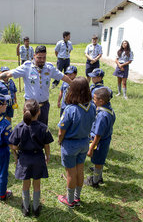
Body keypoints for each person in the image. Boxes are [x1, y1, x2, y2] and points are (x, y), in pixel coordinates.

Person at [0, 45, 72, 125]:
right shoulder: (27, 67)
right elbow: (7, 74)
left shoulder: (49, 68)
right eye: (39, 58)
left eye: (44, 58)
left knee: (42, 130)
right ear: (34, 56)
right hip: (30, 106)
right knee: (28, 129)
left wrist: (73, 85)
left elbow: (64, 77)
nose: (41, 60)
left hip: (44, 106)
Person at [9, 99, 53, 217]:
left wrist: (17, 155)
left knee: (26, 184)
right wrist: (47, 156)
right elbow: (46, 145)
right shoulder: (43, 127)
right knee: (37, 184)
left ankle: (26, 207)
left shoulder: (19, 127)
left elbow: (13, 145)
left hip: (24, 159)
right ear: (39, 112)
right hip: (38, 158)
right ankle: (36, 208)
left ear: (24, 112)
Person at [57, 77, 96, 208]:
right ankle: (77, 197)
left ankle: (69, 200)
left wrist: (59, 141)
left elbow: (61, 131)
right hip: (84, 143)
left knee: (70, 174)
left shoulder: (70, 109)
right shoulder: (93, 106)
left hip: (70, 145)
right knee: (80, 170)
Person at [85, 88, 116, 188]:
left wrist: (90, 149)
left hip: (99, 142)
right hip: (105, 139)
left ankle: (95, 181)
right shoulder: (109, 109)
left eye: (94, 99)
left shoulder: (102, 115)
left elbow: (98, 135)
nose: (93, 101)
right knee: (100, 160)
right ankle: (98, 176)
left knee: (98, 162)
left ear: (101, 101)